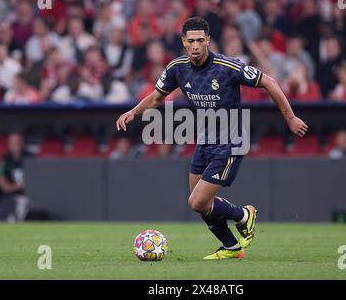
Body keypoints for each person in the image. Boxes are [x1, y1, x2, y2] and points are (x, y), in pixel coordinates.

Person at [116, 17, 308, 259]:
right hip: (205, 140)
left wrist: (290, 118)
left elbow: (269, 82)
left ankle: (243, 216)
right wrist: (133, 112)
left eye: (200, 40)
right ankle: (231, 248)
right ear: (184, 42)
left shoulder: (228, 67)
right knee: (201, 203)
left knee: (197, 202)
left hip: (231, 140)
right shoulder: (177, 68)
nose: (195, 46)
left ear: (207, 40)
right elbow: (156, 98)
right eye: (190, 41)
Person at [0, 132, 32, 221]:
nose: (16, 146)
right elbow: (2, 183)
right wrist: (17, 186)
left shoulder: (31, 158)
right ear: (9, 145)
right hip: (10, 197)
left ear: (23, 143)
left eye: (19, 143)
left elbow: (38, 179)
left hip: (29, 196)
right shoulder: (5, 160)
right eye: (14, 143)